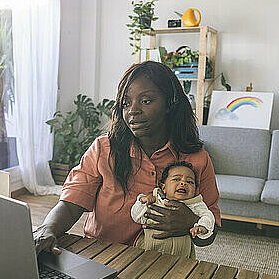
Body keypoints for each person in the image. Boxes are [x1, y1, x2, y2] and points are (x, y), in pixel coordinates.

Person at [34, 61, 221, 255]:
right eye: (125, 103)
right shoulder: (103, 149)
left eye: (146, 101)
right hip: (104, 257)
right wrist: (47, 228)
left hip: (168, 263)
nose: (133, 110)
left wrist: (190, 222)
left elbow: (212, 229)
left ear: (170, 104)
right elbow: (71, 203)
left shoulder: (198, 159)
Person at [131, 161, 215, 258]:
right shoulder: (154, 201)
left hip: (183, 256)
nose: (183, 183)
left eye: (190, 182)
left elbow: (208, 216)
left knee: (184, 271)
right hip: (150, 252)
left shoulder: (195, 204)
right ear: (164, 187)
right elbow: (136, 217)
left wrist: (202, 226)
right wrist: (142, 201)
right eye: (176, 179)